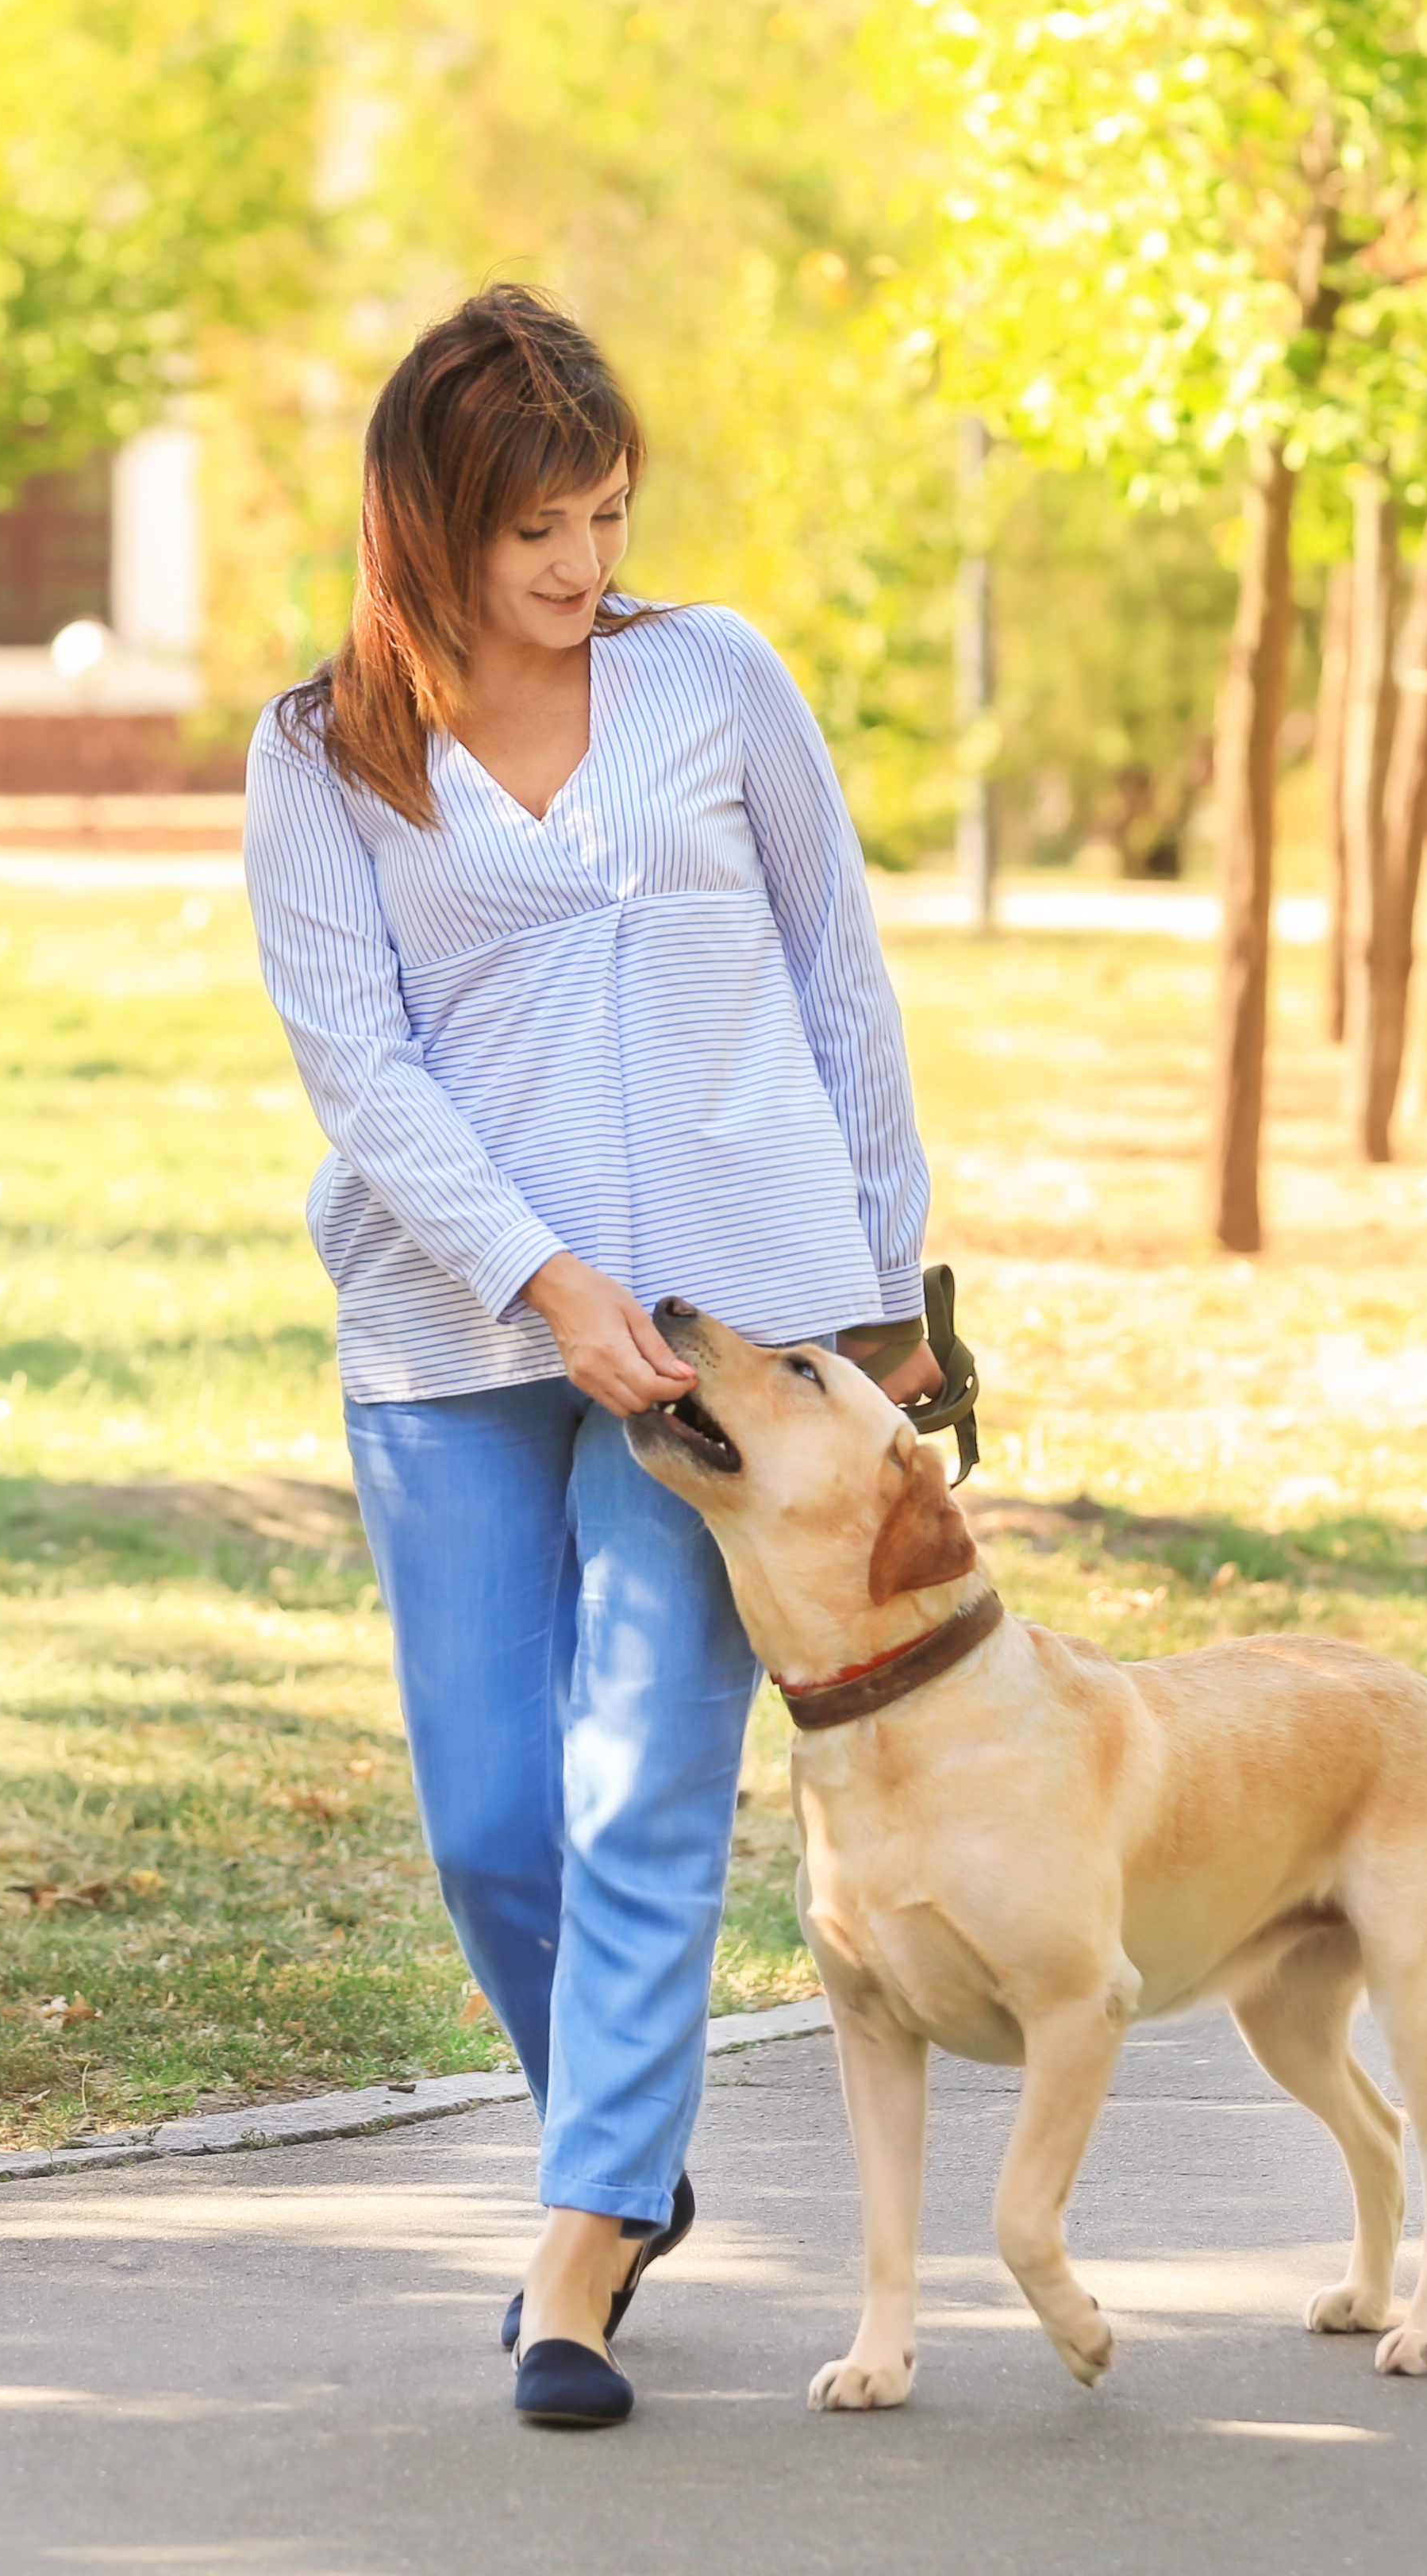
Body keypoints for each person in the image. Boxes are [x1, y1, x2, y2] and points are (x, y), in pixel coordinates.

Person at [244, 285, 940, 2432]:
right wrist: (550, 1281)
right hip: (455, 1329)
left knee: (644, 1782)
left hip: (738, 1337)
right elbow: (365, 1070)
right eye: (536, 529)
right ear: (425, 522)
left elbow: (844, 977)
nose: (578, 569)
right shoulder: (321, 753)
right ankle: (619, 2138)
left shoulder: (713, 683)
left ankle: (581, 2248)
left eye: (606, 517)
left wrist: (892, 1289)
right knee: (488, 1820)